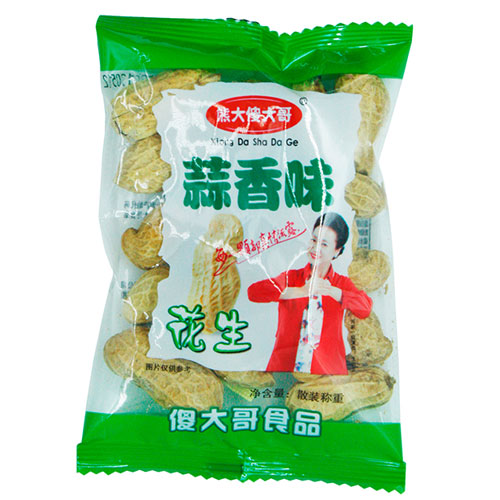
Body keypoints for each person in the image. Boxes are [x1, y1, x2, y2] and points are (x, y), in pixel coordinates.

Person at [247, 212, 372, 375]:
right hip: (284, 368)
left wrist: (333, 292)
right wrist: (301, 291)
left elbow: (365, 308)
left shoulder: (341, 283)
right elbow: (254, 292)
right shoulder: (292, 277)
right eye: (314, 240)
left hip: (327, 372)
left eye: (324, 244)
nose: (315, 248)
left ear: (337, 251)